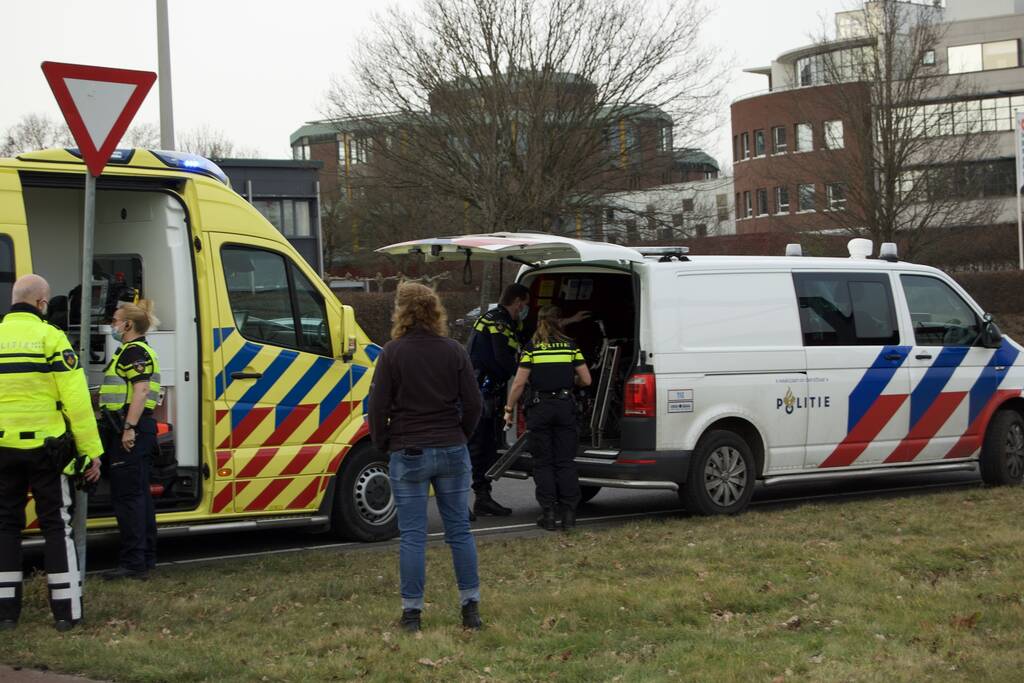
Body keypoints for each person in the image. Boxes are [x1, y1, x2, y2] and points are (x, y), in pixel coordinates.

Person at [368, 282, 484, 633]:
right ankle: (470, 610)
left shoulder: (392, 353)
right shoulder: (454, 351)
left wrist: (384, 443)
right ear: (436, 312)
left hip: (409, 449)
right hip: (451, 446)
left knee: (413, 536)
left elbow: (377, 407)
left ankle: (412, 615)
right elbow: (475, 403)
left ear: (401, 312)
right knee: (459, 532)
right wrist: (461, 434)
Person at [0, 274, 102, 631]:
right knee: (56, 525)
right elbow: (76, 401)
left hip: (3, 448)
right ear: (42, 303)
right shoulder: (51, 338)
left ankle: (5, 613)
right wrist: (91, 452)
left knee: (5, 525)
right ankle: (65, 613)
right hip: (47, 450)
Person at [504, 305, 591, 532]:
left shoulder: (532, 349)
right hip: (564, 407)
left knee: (543, 463)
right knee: (565, 462)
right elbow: (587, 380)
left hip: (540, 409)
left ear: (538, 321)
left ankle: (549, 514)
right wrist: (571, 382)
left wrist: (508, 408)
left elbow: (520, 383)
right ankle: (570, 516)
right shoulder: (571, 346)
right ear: (559, 321)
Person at [98, 300, 161, 581]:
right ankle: (144, 559)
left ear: (128, 325)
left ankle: (134, 564)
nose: (112, 324)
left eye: (115, 320)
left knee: (129, 500)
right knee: (139, 497)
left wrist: (128, 428)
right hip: (135, 428)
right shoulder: (132, 351)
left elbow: (141, 390)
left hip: (130, 430)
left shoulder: (134, 351)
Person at [466, 283, 530, 516]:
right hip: (481, 392)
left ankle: (483, 498)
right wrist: (526, 373)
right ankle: (461, 502)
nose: (527, 309)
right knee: (476, 448)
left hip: (489, 392)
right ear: (518, 302)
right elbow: (501, 360)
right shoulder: (496, 322)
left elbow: (524, 338)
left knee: (487, 447)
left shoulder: (506, 321)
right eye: (526, 304)